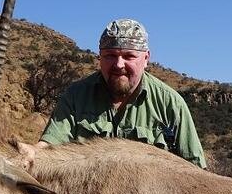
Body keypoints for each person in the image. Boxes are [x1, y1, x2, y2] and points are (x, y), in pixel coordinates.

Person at [39, 18, 207, 168]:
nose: (119, 64)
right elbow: (48, 149)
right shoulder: (75, 96)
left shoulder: (171, 104)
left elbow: (196, 171)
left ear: (146, 58)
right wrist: (31, 155)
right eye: (110, 55)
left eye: (129, 56)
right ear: (100, 57)